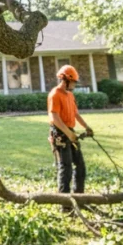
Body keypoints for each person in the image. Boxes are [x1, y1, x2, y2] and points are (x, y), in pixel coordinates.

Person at [48, 65, 93, 196]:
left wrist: (86, 127)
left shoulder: (70, 95)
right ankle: (65, 201)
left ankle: (79, 196)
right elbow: (54, 117)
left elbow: (75, 113)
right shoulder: (55, 94)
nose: (74, 85)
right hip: (59, 133)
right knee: (66, 167)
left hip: (70, 130)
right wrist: (69, 134)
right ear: (65, 80)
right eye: (73, 82)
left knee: (80, 165)